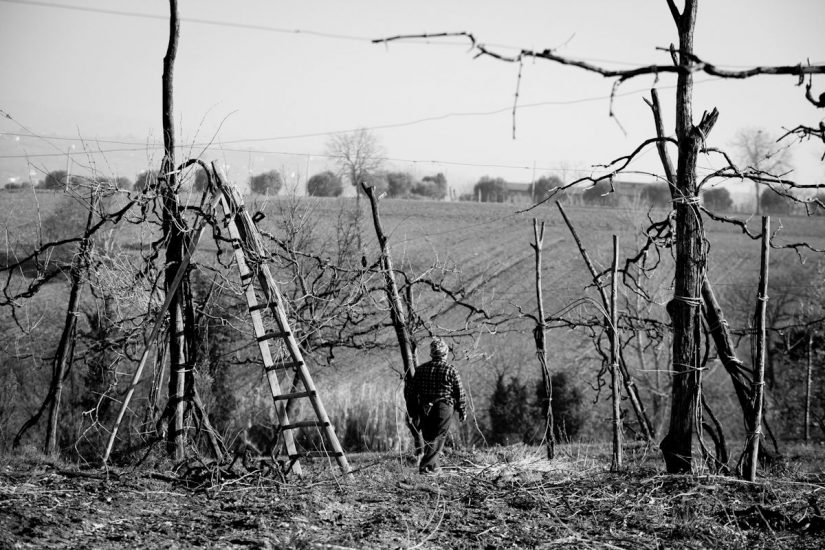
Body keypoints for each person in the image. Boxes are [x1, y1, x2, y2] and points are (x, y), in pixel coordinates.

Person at [412, 338, 467, 475]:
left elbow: (411, 392)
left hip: (424, 406)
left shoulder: (420, 370)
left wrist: (413, 411)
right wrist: (462, 410)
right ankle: (425, 467)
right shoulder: (450, 369)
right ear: (445, 353)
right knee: (438, 436)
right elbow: (460, 392)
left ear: (431, 353)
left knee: (429, 436)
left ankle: (434, 468)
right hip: (443, 407)